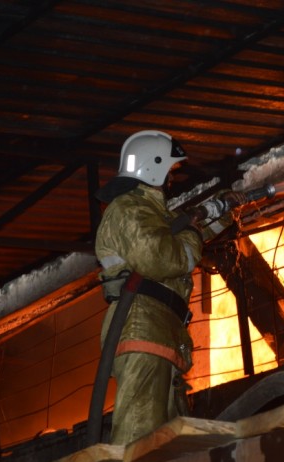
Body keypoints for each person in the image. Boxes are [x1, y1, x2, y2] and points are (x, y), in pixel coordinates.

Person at [93, 130, 233, 445]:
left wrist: (223, 212)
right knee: (140, 438)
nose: (171, 178)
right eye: (169, 170)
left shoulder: (153, 213)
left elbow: (184, 234)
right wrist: (193, 232)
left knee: (169, 443)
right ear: (152, 167)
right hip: (141, 328)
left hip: (161, 331)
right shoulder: (127, 208)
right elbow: (159, 256)